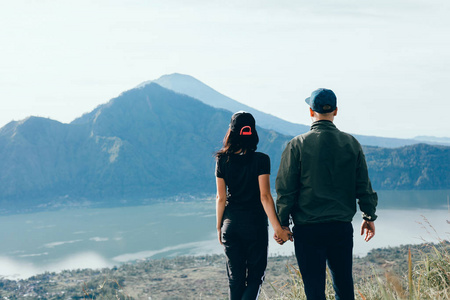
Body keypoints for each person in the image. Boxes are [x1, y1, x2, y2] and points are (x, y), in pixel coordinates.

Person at [275, 88, 378, 300]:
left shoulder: (297, 145)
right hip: (340, 227)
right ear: (336, 111)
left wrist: (282, 223)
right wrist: (368, 216)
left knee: (314, 291)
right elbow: (363, 185)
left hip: (307, 229)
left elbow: (286, 190)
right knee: (344, 287)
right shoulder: (352, 144)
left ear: (311, 112)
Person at [215, 111, 292, 300]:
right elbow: (265, 196)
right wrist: (278, 229)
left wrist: (219, 227)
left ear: (231, 133)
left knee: (235, 279)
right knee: (255, 278)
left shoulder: (222, 160)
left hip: (230, 226)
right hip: (255, 227)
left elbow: (221, 198)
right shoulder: (261, 160)